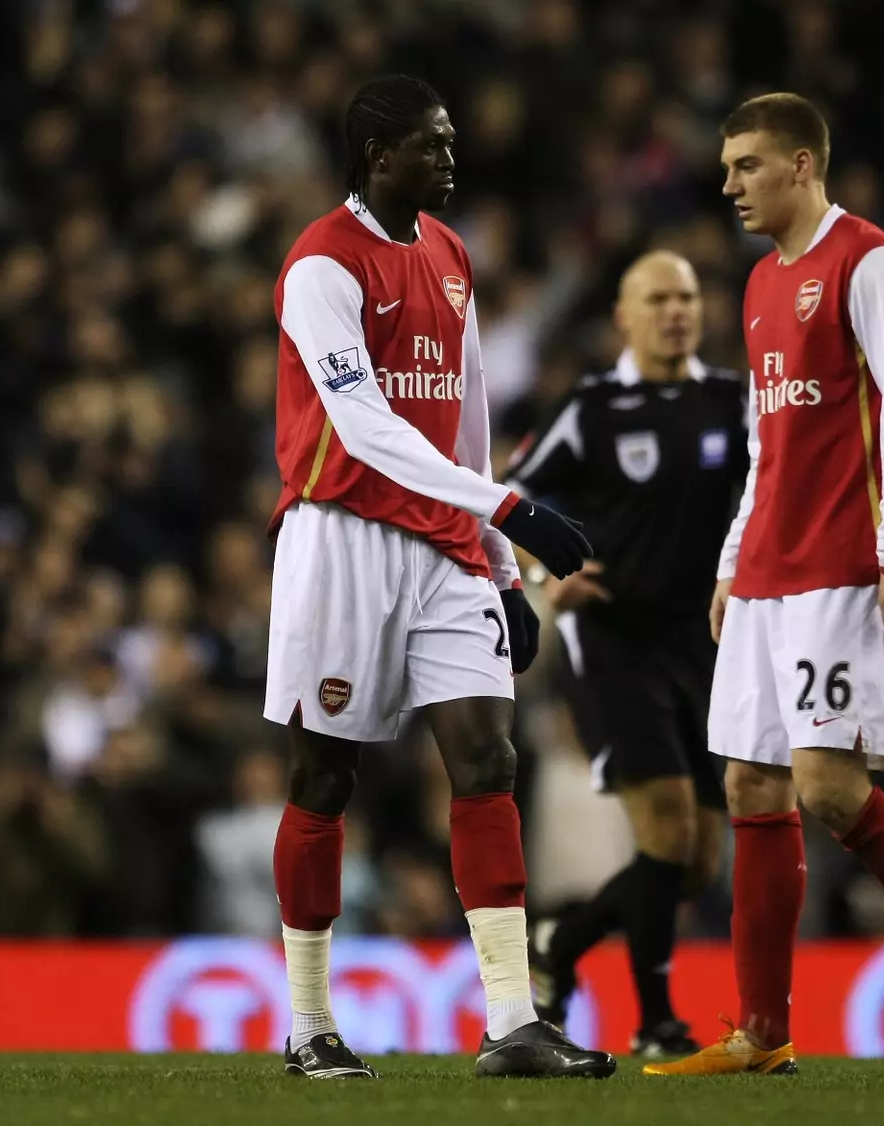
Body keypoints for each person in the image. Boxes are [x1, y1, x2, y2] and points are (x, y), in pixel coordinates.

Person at [646, 93, 884, 1080]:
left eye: (747, 166)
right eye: (726, 167)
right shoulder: (765, 284)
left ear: (803, 165)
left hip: (845, 559)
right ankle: (762, 1033)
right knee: (750, 783)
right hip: (772, 561)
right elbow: (769, 443)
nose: (728, 184)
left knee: (828, 786)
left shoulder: (870, 261)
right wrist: (734, 557)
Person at [265, 74, 611, 1080]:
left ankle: (512, 1017)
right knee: (325, 775)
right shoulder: (319, 266)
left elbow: (464, 416)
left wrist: (499, 561)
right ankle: (309, 1023)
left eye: (453, 143)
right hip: (343, 536)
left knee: (488, 760)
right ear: (380, 157)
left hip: (447, 548)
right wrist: (512, 509)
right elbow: (362, 427)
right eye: (434, 146)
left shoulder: (453, 256)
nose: (452, 162)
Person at [506, 250, 746, 1058]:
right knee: (668, 828)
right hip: (614, 639)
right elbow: (512, 493)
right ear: (624, 316)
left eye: (686, 296)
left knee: (696, 861)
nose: (676, 310)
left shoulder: (731, 401)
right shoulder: (595, 406)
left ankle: (561, 947)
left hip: (707, 644)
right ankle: (655, 1021)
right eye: (657, 298)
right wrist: (543, 574)